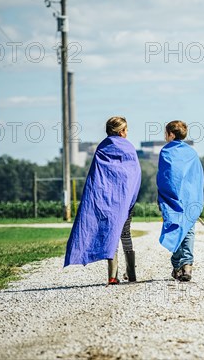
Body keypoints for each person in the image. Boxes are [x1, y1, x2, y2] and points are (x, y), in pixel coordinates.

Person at [64, 116, 141, 285]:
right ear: (121, 131)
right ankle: (132, 273)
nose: (127, 132)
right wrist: (130, 196)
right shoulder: (128, 148)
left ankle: (112, 276)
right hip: (124, 200)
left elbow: (96, 176)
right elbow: (134, 174)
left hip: (104, 200)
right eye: (126, 129)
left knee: (110, 232)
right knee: (125, 233)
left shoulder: (102, 147)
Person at [157, 120, 204, 282]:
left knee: (174, 227)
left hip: (172, 197)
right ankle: (187, 265)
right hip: (190, 197)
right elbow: (197, 177)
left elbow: (164, 177)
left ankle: (177, 266)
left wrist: (162, 197)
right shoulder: (191, 153)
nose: (165, 136)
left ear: (171, 134)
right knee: (189, 229)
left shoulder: (166, 152)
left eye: (165, 133)